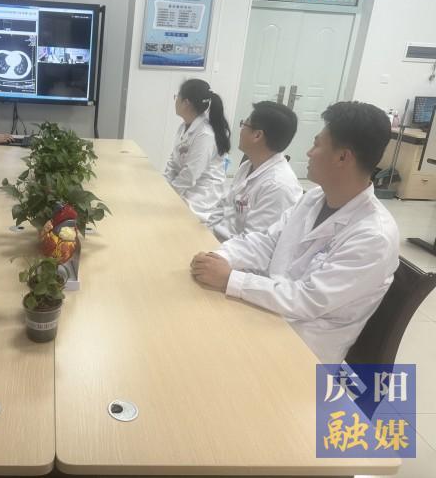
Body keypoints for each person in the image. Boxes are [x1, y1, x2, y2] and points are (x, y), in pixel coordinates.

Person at [190, 101, 399, 364]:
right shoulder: (314, 198)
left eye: (317, 145)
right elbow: (267, 242)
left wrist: (232, 279)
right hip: (270, 316)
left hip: (302, 350)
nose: (309, 153)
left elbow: (307, 299)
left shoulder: (374, 236)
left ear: (342, 157)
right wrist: (220, 257)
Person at [207, 101, 302, 242]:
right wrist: (206, 232)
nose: (241, 131)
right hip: (217, 240)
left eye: (244, 125)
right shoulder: (248, 165)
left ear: (257, 135)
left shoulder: (278, 186)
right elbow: (223, 206)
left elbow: (253, 243)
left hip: (234, 252)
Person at [164, 79, 231, 221]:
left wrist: (167, 195)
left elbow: (190, 174)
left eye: (177, 97)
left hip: (201, 197)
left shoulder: (205, 134)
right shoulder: (184, 127)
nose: (175, 101)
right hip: (186, 188)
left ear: (186, 103)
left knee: (164, 216)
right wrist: (163, 185)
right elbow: (173, 162)